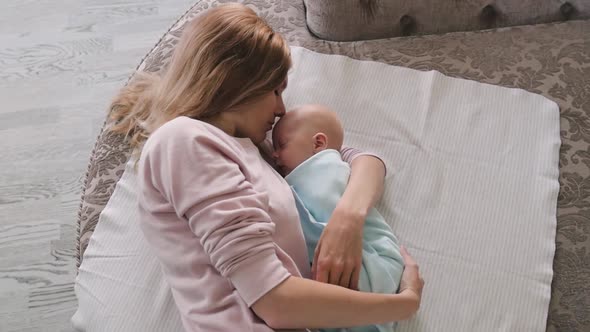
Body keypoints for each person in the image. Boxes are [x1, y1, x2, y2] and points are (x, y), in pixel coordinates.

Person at [108, 3, 424, 331]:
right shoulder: (184, 140)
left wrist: (348, 218)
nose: (281, 108)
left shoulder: (256, 149)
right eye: (275, 91)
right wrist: (401, 304)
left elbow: (364, 160)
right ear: (237, 82)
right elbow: (275, 301)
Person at [272, 104, 405, 332]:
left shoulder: (325, 168)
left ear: (318, 144)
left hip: (375, 257)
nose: (275, 155)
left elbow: (370, 162)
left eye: (281, 146)